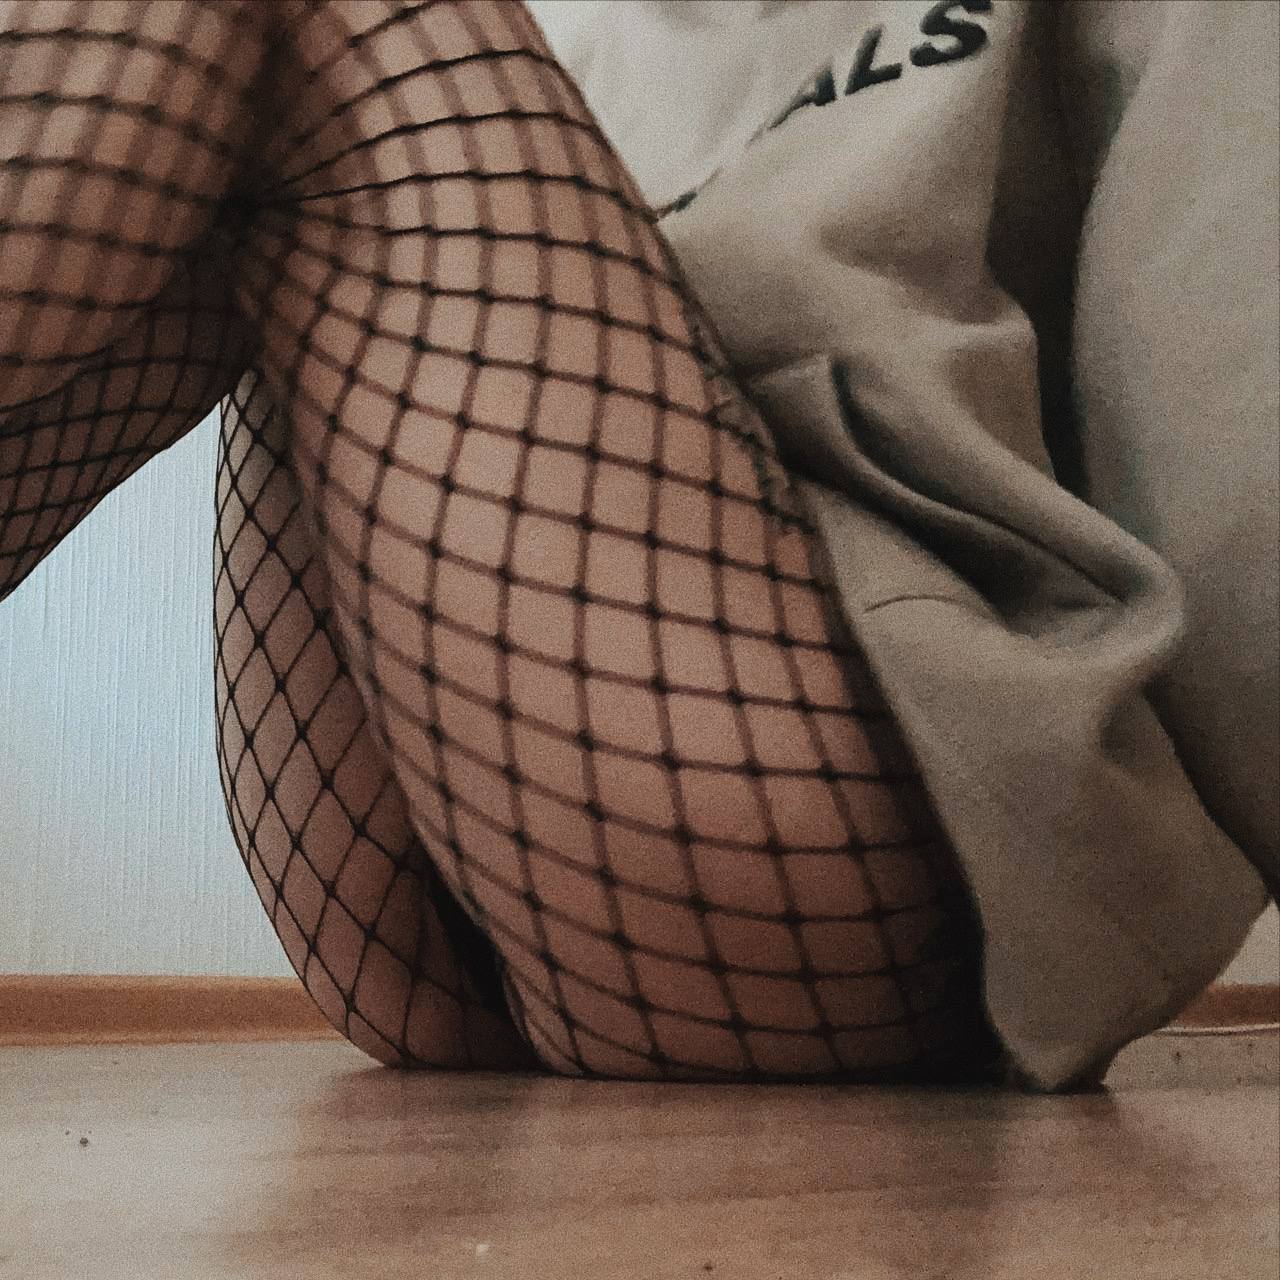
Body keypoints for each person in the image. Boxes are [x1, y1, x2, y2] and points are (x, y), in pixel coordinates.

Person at [1, 0, 1273, 1089]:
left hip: (876, 832)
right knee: (270, 97)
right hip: (416, 846)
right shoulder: (566, 36)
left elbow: (1235, 434)